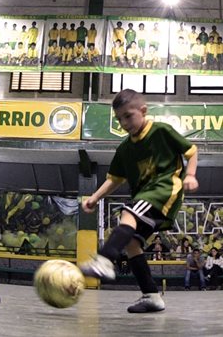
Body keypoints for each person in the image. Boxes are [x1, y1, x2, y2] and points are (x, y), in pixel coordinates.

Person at [78, 89, 199, 313]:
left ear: (143, 111)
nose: (124, 123)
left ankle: (104, 261)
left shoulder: (161, 131)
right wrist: (94, 197)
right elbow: (114, 179)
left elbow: (191, 151)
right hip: (146, 196)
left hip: (165, 189)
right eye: (119, 119)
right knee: (132, 243)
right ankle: (151, 295)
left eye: (128, 116)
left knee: (128, 213)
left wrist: (190, 175)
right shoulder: (124, 149)